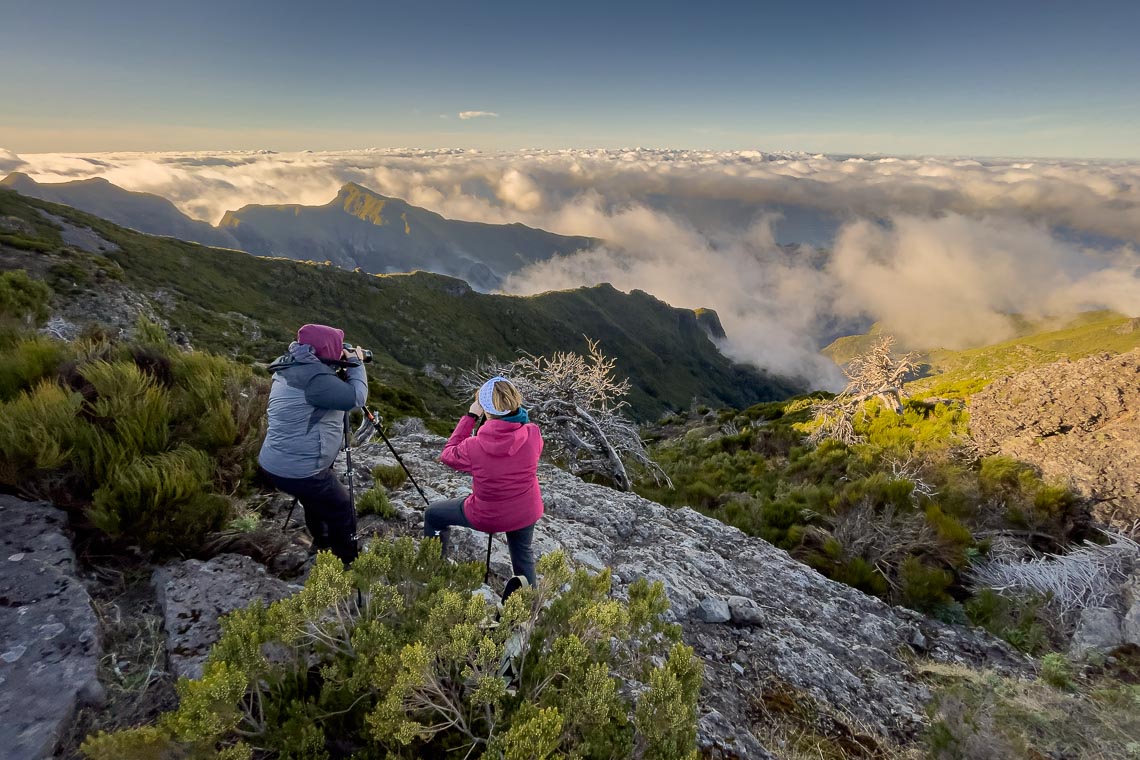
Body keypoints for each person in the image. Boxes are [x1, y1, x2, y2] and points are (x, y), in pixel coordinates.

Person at [259, 323, 367, 565]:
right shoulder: (316, 380)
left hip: (273, 462)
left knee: (313, 499)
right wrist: (356, 364)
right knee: (341, 508)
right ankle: (346, 562)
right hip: (300, 470)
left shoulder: (292, 363)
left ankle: (323, 541)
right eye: (337, 349)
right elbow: (356, 398)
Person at [426, 376, 543, 587]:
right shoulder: (533, 433)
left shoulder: (473, 446)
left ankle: (434, 567)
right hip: (525, 511)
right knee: (523, 554)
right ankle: (528, 605)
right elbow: (520, 435)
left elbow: (447, 454)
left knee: (433, 515)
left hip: (488, 516)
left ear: (486, 410)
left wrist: (471, 416)